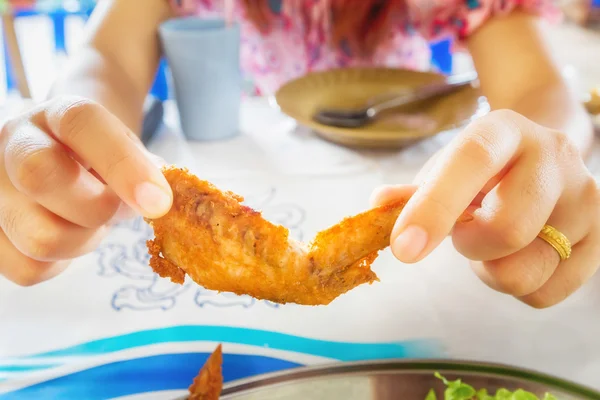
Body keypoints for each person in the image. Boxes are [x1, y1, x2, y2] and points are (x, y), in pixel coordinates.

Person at [0, 0, 598, 310]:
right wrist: (61, 125)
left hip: (422, 201)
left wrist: (544, 150)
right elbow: (104, 60)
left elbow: (540, 90)